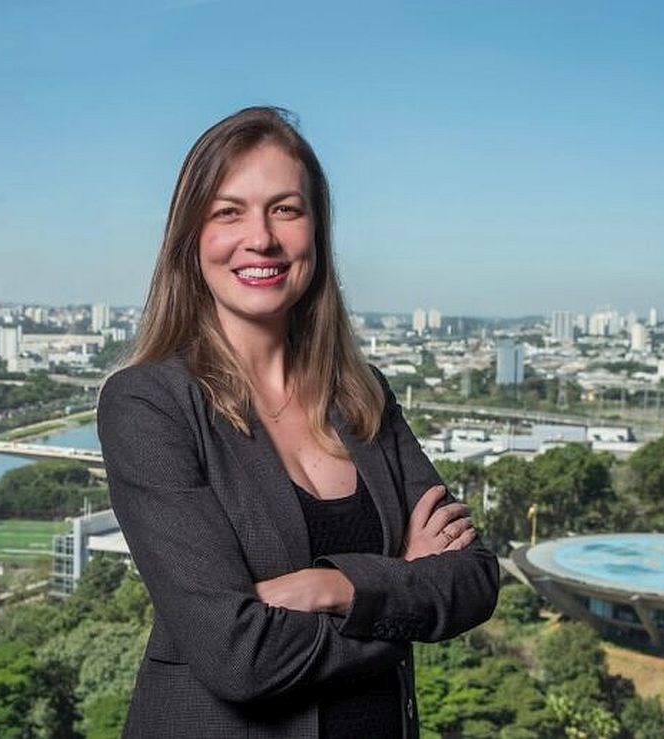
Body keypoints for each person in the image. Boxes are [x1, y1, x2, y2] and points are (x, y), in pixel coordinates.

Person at [97, 106, 500, 738]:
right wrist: (402, 590)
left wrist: (333, 587)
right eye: (228, 212)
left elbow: (473, 579)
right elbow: (242, 657)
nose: (261, 238)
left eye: (285, 209)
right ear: (190, 239)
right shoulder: (150, 405)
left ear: (317, 230)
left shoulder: (362, 397)